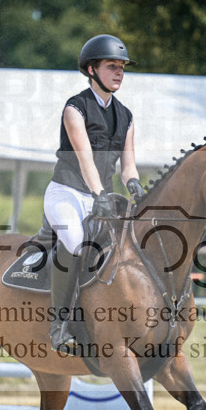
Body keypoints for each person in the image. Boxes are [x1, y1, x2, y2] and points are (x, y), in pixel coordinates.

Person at [44, 34, 143, 354]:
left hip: (103, 198)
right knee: (75, 243)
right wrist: (100, 192)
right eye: (112, 66)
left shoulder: (126, 115)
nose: (119, 73)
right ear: (91, 69)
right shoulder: (75, 108)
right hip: (67, 192)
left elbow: (128, 165)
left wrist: (135, 186)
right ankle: (59, 325)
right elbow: (84, 157)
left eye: (122, 68)